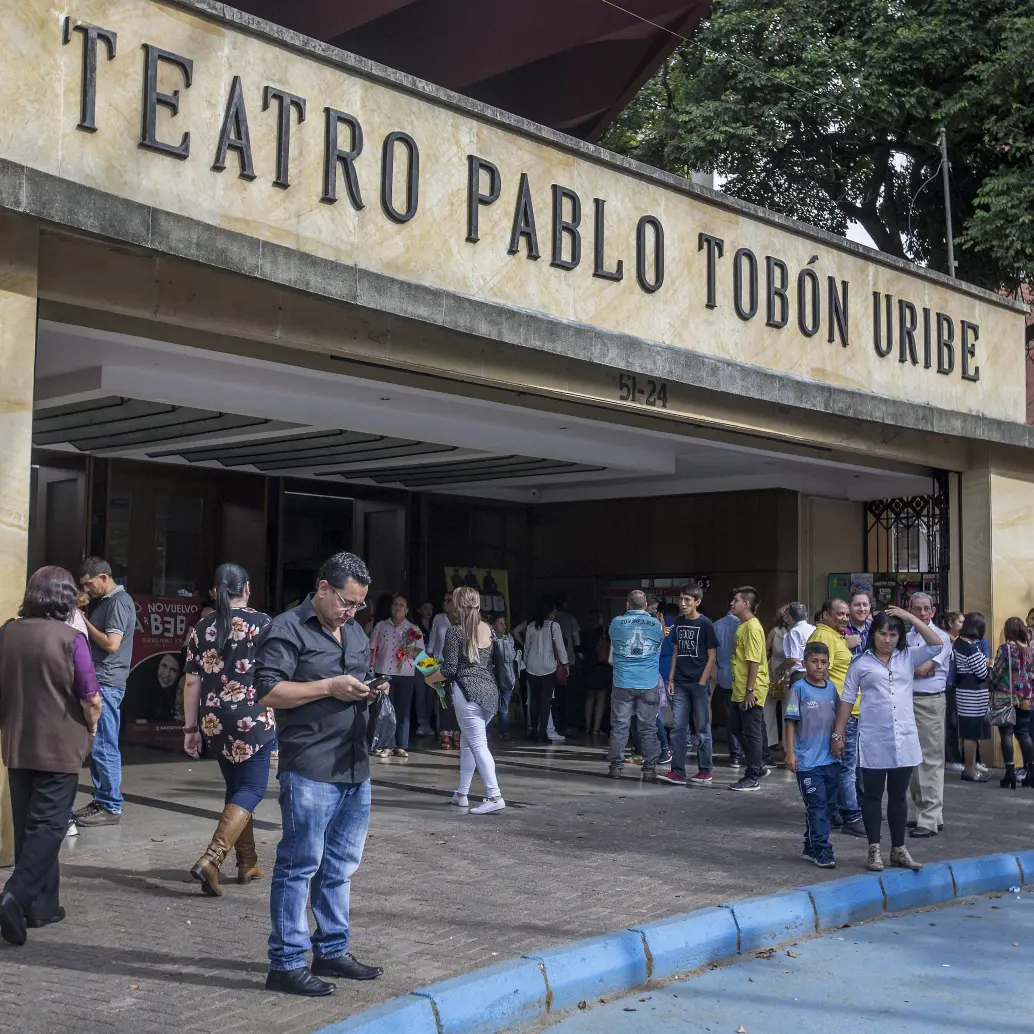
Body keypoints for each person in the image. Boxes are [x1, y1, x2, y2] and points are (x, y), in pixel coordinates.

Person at [253, 552, 388, 998]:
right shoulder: (286, 627)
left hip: (354, 763)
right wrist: (328, 687)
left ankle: (330, 948)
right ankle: (287, 962)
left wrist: (370, 686)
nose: (352, 612)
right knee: (299, 865)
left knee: (340, 866)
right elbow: (268, 691)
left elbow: (354, 676)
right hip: (310, 765)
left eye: (360, 605)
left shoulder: (352, 631)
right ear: (324, 588)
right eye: (347, 601)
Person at [0, 567, 102, 945]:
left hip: (17, 741)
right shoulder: (71, 638)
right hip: (59, 744)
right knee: (50, 825)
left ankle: (43, 905)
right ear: (65, 597)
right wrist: (91, 728)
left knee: (30, 821)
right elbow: (91, 696)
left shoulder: (8, 631)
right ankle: (16, 894)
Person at [182, 563, 273, 896]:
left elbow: (191, 682)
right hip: (252, 718)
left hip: (213, 720)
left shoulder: (201, 627)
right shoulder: (262, 623)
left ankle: (246, 862)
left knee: (237, 788)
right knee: (252, 788)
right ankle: (212, 858)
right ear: (246, 588)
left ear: (216, 592)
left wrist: (190, 728)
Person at [835, 607, 945, 872]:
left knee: (898, 796)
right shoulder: (860, 663)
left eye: (893, 634)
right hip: (874, 738)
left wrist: (909, 617)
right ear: (873, 635)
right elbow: (848, 700)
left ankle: (898, 849)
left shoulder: (907, 657)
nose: (887, 639)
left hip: (904, 737)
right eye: (882, 633)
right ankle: (874, 849)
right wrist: (838, 734)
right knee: (872, 796)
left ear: (899, 637)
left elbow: (937, 642)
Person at [73, 557, 136, 828]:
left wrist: (83, 622)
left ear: (103, 577)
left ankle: (110, 804)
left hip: (108, 681)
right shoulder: (106, 602)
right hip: (102, 680)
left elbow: (112, 644)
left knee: (104, 744)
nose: (86, 590)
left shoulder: (119, 602)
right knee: (98, 743)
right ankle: (102, 799)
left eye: (89, 584)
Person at [442, 587, 505, 814]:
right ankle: (461, 793)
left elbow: (449, 669)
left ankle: (494, 795)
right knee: (469, 744)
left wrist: (430, 675)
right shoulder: (488, 628)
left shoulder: (455, 631)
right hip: (489, 694)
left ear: (459, 605)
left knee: (478, 746)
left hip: (467, 693)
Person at [808, 599, 864, 836]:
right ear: (825, 615)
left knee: (837, 765)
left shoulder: (835, 636)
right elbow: (820, 674)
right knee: (846, 767)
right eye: (839, 614)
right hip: (841, 713)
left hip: (847, 711)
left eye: (845, 614)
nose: (844, 618)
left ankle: (835, 812)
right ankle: (851, 814)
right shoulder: (822, 638)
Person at [784, 642, 838, 869]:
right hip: (807, 762)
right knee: (817, 806)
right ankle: (822, 850)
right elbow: (790, 722)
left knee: (829, 806)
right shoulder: (799, 688)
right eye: (814, 662)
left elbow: (837, 722)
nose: (819, 666)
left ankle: (809, 846)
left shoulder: (831, 688)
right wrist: (790, 752)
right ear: (805, 664)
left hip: (830, 760)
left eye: (823, 662)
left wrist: (839, 740)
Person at [905, 592, 953, 839]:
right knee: (911, 759)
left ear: (933, 611)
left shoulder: (942, 637)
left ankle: (930, 818)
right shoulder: (904, 638)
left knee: (930, 759)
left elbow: (924, 668)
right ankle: (922, 814)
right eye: (917, 609)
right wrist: (914, 670)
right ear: (910, 610)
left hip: (930, 702)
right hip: (907, 701)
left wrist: (909, 669)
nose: (922, 613)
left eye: (926, 609)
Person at [661, 583, 717, 787]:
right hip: (681, 683)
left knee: (702, 728)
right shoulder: (679, 622)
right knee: (678, 727)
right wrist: (671, 678)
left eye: (687, 600)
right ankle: (677, 770)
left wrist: (703, 681)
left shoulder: (706, 624)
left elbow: (712, 656)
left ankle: (705, 770)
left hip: (698, 683)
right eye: (681, 599)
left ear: (697, 602)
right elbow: (676, 651)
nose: (682, 603)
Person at [606, 590, 664, 781]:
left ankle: (615, 767)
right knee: (648, 727)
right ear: (646, 604)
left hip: (623, 681)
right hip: (648, 682)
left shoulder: (616, 623)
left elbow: (614, 642)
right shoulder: (656, 624)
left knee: (620, 726)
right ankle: (649, 770)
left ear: (627, 604)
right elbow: (657, 647)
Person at [370, 595, 424, 760]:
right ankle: (387, 744)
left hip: (405, 674)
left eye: (402, 605)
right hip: (384, 673)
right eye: (395, 604)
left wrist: (411, 651)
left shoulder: (413, 629)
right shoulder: (380, 626)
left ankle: (401, 745)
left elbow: (422, 654)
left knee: (403, 710)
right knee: (385, 711)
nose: (398, 607)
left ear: (407, 610)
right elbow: (372, 649)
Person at [727, 587, 770, 792]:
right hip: (740, 688)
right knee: (735, 727)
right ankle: (757, 765)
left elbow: (754, 661)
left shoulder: (752, 627)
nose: (731, 603)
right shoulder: (742, 626)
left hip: (750, 688)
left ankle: (752, 775)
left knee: (751, 732)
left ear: (746, 603)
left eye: (736, 600)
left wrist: (750, 690)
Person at [990, 617, 1034, 789]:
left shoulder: (1006, 649)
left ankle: (1010, 773)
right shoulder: (1030, 650)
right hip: (1026, 698)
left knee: (1006, 734)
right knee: (1023, 734)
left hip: (1005, 697)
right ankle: (1031, 772)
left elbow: (996, 672)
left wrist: (990, 683)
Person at [520, 595, 568, 744]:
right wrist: (565, 664)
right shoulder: (554, 626)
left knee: (533, 701)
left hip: (531, 667)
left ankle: (533, 731)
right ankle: (543, 733)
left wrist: (525, 663)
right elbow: (560, 648)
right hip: (549, 667)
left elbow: (526, 648)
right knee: (546, 701)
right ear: (550, 611)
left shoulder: (530, 626)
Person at [953, 612, 991, 783]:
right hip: (973, 694)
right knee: (971, 733)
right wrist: (986, 663)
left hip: (964, 691)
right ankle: (970, 769)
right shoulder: (970, 646)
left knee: (969, 732)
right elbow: (982, 672)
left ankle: (972, 767)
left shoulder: (959, 643)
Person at [428, 592, 460, 749]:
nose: (445, 603)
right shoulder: (438, 619)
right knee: (443, 700)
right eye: (444, 600)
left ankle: (457, 732)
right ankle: (445, 732)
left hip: (459, 665)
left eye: (449, 600)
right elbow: (431, 645)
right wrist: (428, 668)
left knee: (457, 700)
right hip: (440, 664)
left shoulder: (463, 620)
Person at [714, 600, 744, 767]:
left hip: (723, 674)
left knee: (730, 715)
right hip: (740, 674)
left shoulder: (716, 625)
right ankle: (748, 752)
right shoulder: (742, 624)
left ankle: (735, 755)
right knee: (745, 715)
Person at [763, 605, 790, 764]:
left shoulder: (789, 633)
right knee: (771, 709)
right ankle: (769, 744)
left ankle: (785, 746)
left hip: (783, 671)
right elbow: (765, 651)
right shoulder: (775, 632)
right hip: (774, 672)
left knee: (785, 711)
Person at [552, 593, 581, 734]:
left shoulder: (549, 620)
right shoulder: (570, 619)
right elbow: (577, 641)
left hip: (551, 663)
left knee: (555, 696)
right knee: (570, 696)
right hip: (569, 662)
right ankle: (569, 725)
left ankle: (556, 723)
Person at [940, 610, 965, 771]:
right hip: (947, 684)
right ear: (951, 624)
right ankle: (951, 757)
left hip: (955, 684)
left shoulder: (959, 641)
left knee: (956, 723)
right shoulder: (945, 639)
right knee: (950, 722)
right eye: (960, 622)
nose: (963, 625)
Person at [581, 610, 611, 738]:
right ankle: (596, 729)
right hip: (602, 667)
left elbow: (580, 651)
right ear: (599, 619)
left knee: (589, 697)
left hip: (588, 667)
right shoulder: (604, 632)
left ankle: (587, 727)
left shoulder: (584, 633)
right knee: (601, 698)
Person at [491, 615, 518, 740]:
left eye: (504, 623)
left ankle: (505, 731)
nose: (503, 626)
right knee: (490, 705)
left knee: (504, 705)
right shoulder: (489, 639)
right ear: (493, 625)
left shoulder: (509, 639)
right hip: (492, 675)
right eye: (500, 623)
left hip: (506, 675)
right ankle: (487, 733)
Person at [414, 601, 436, 737]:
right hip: (420, 661)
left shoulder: (435, 625)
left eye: (430, 608)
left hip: (432, 662)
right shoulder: (416, 627)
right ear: (419, 610)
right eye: (425, 608)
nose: (428, 611)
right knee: (420, 692)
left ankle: (428, 722)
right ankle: (421, 723)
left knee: (431, 694)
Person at [779, 602, 815, 683]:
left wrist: (780, 668)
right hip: (814, 673)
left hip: (800, 674)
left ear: (791, 617)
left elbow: (793, 659)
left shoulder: (794, 632)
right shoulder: (813, 629)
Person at [845, 590, 873, 657]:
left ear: (869, 606)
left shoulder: (876, 628)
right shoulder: (840, 629)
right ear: (849, 606)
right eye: (857, 605)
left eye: (865, 605)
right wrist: (845, 645)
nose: (862, 609)